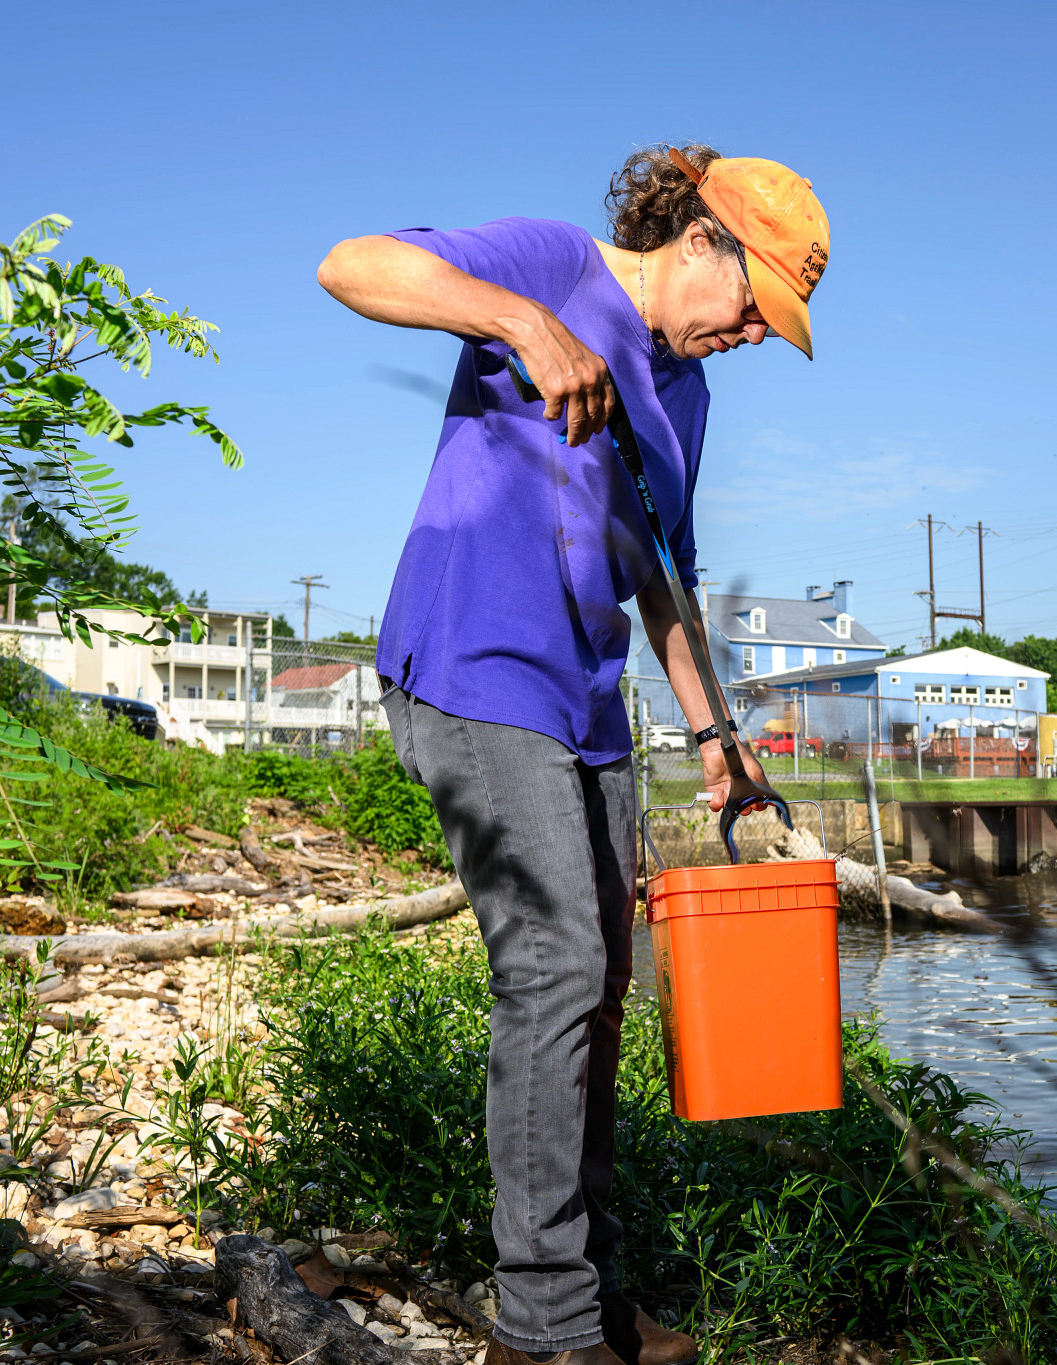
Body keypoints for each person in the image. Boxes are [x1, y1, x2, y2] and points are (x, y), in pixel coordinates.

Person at [316, 145, 830, 1365]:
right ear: (700, 239)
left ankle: (587, 1292)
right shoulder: (551, 262)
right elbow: (351, 267)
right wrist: (518, 324)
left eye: (776, 322)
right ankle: (540, 1329)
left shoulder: (686, 396)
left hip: (586, 701)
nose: (754, 333)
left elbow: (659, 566)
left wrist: (717, 741)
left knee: (598, 990)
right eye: (755, 303)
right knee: (551, 967)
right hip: (474, 666)